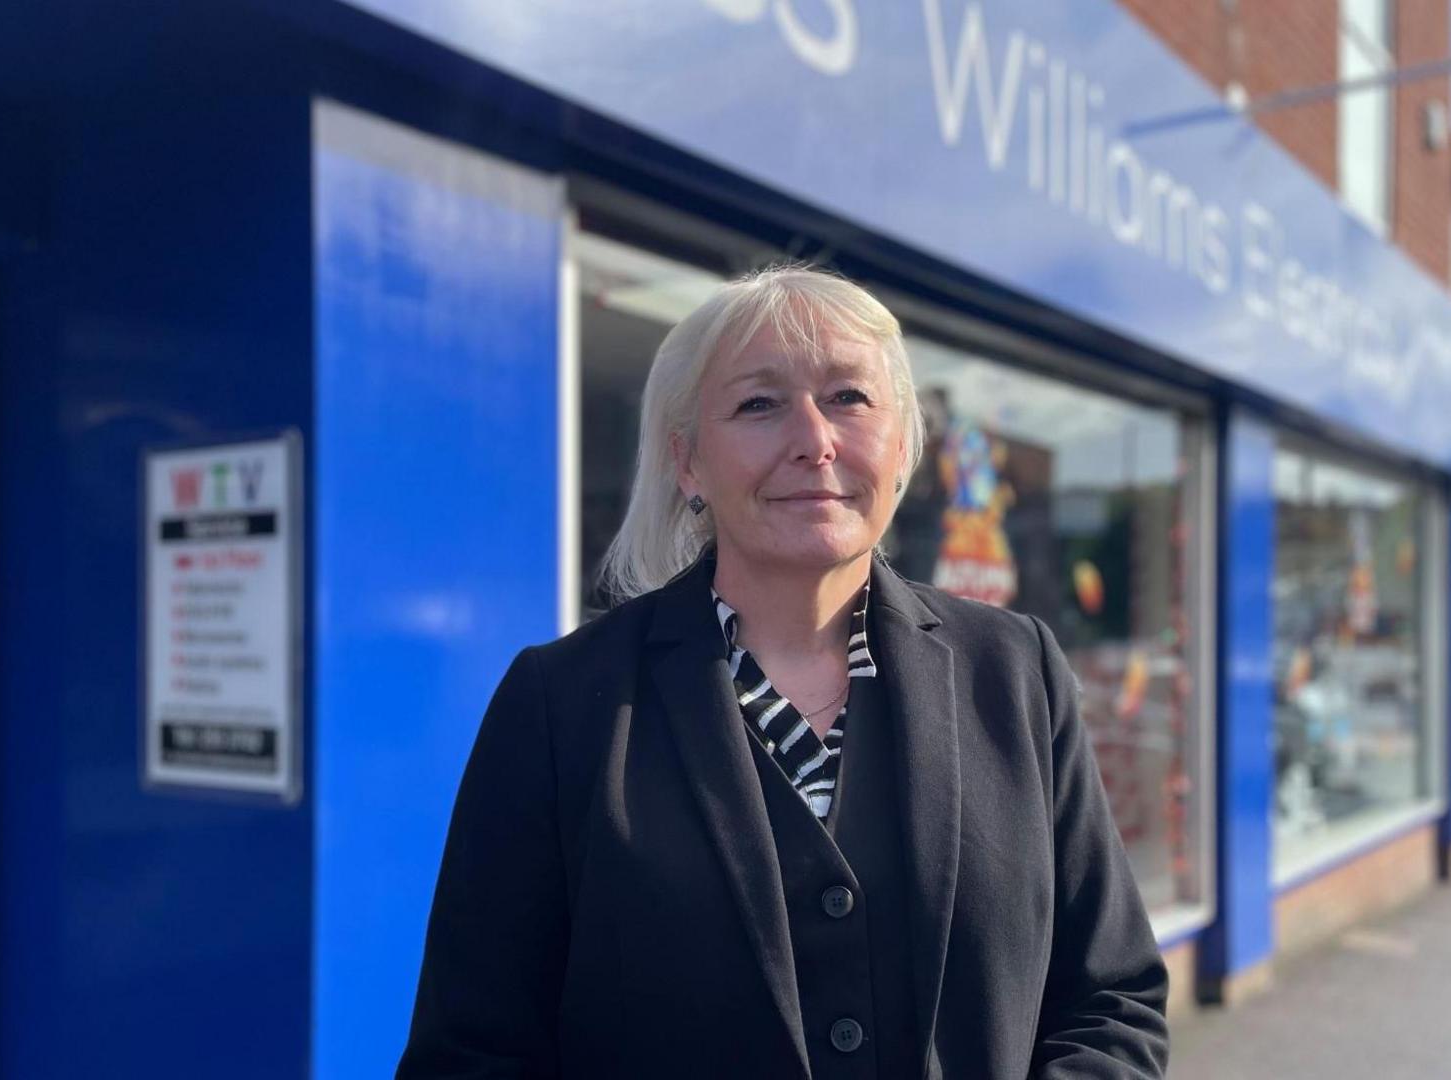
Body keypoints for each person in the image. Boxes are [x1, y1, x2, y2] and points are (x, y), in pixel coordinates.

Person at [397, 267, 1169, 1078]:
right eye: (759, 404)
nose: (815, 440)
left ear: (902, 445)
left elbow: (1110, 999)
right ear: (688, 461)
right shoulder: (560, 704)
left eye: (850, 398)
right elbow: (474, 1053)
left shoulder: (1014, 672)